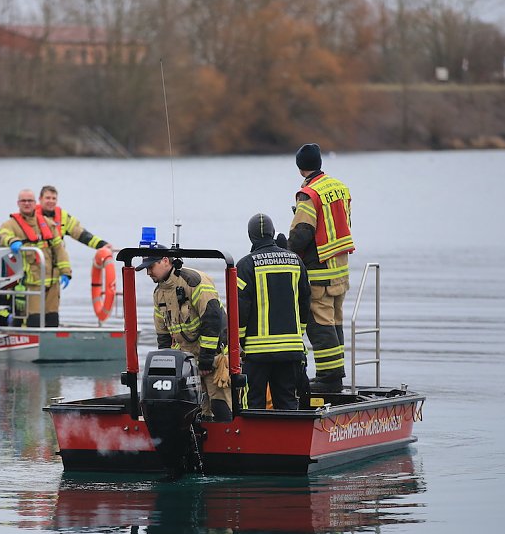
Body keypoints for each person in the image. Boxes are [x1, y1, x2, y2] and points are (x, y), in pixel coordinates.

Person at [288, 143, 355, 392]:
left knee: (319, 324)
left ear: (300, 168)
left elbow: (303, 231)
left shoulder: (309, 194)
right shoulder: (339, 187)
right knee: (336, 322)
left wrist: (287, 252)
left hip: (320, 271)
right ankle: (336, 374)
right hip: (340, 268)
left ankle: (328, 378)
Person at [137, 245, 231, 421]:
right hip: (189, 363)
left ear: (165, 261)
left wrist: (206, 359)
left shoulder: (194, 282)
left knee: (221, 408)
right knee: (197, 413)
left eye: (151, 267)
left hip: (215, 359)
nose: (148, 272)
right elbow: (162, 334)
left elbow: (212, 319)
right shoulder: (159, 293)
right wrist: (165, 365)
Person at [236, 213, 311, 409]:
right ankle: (289, 438)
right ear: (272, 233)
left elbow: (241, 308)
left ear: (251, 236)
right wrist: (299, 333)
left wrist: (240, 341)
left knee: (253, 404)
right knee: (287, 401)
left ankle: (254, 440)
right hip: (291, 350)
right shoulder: (296, 261)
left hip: (257, 352)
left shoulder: (245, 265)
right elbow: (305, 301)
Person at [0, 189, 71, 327]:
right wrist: (12, 241)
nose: (27, 204)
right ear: (18, 203)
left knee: (52, 319)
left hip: (52, 283)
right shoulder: (11, 224)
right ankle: (30, 345)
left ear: (35, 203)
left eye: (30, 201)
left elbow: (59, 249)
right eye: (23, 201)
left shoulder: (47, 223)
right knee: (34, 320)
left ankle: (50, 346)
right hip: (31, 283)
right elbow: (1, 236)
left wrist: (66, 272)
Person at [37, 185, 110, 250]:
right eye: (48, 198)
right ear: (40, 199)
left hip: (57, 260)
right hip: (37, 260)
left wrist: (102, 245)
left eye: (54, 198)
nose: (51, 201)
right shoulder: (31, 216)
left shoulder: (63, 217)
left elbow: (82, 234)